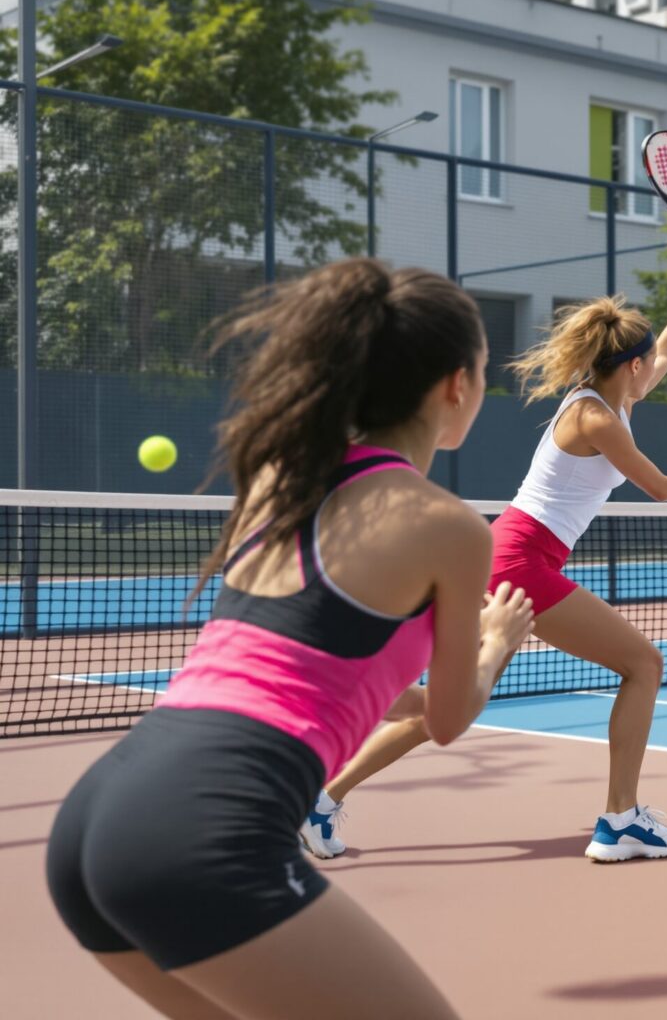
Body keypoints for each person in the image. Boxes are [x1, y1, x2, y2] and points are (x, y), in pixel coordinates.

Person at [46, 259, 534, 1019]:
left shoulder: (282, 477)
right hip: (201, 828)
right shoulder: (448, 526)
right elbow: (447, 721)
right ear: (455, 386)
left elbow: (302, 666)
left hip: (99, 816)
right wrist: (497, 642)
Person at [303, 255, 667, 863]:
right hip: (521, 562)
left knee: (451, 700)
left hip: (505, 556)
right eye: (650, 363)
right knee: (644, 664)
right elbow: (664, 489)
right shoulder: (598, 416)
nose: (659, 368)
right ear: (633, 366)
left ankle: (321, 802)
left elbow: (665, 351)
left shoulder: (611, 396)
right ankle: (620, 821)